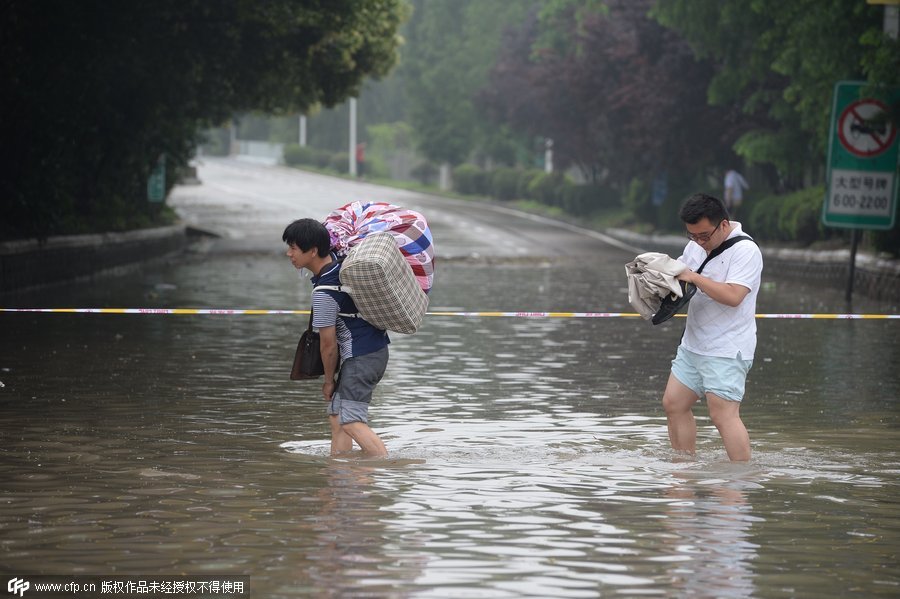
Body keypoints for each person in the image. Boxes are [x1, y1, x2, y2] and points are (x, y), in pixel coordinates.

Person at [661, 193, 763, 461]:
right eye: (692, 236)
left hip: (727, 347)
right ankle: (684, 469)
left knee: (722, 415)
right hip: (694, 344)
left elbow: (733, 296)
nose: (699, 242)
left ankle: (739, 481)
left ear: (724, 225)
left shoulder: (746, 251)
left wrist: (693, 276)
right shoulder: (695, 246)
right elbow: (682, 281)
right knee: (674, 404)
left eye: (705, 236)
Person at [283, 218, 390, 457]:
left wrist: (329, 380)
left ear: (312, 251)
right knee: (337, 416)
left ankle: (386, 468)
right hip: (373, 352)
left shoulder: (324, 293)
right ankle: (341, 476)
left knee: (351, 421)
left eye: (293, 248)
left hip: (361, 358)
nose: (288, 253)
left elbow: (328, 346)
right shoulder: (342, 267)